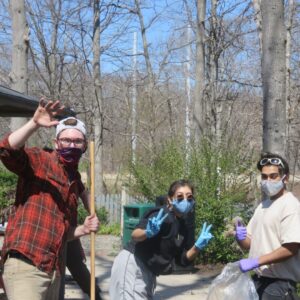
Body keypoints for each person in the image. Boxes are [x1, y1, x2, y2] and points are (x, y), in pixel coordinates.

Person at [0, 99, 99, 300]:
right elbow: (6, 150)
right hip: (27, 264)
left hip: (54, 271)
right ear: (56, 143)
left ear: (84, 147)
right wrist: (34, 123)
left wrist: (83, 229)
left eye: (77, 141)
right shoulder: (40, 160)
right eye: (66, 140)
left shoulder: (74, 182)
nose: (72, 145)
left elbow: (62, 233)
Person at [109, 179, 213, 300]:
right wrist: (147, 232)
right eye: (180, 197)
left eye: (189, 197)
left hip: (149, 271)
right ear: (170, 199)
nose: (185, 200)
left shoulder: (183, 225)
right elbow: (135, 234)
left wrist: (197, 247)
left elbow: (182, 259)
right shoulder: (161, 214)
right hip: (134, 263)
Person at [235, 152, 300, 299]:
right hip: (260, 280)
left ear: (286, 178)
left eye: (273, 176)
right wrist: (240, 237)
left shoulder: (290, 205)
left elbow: (291, 248)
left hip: (279, 285)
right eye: (264, 177)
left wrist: (257, 261)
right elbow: (249, 243)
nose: (268, 180)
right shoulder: (264, 205)